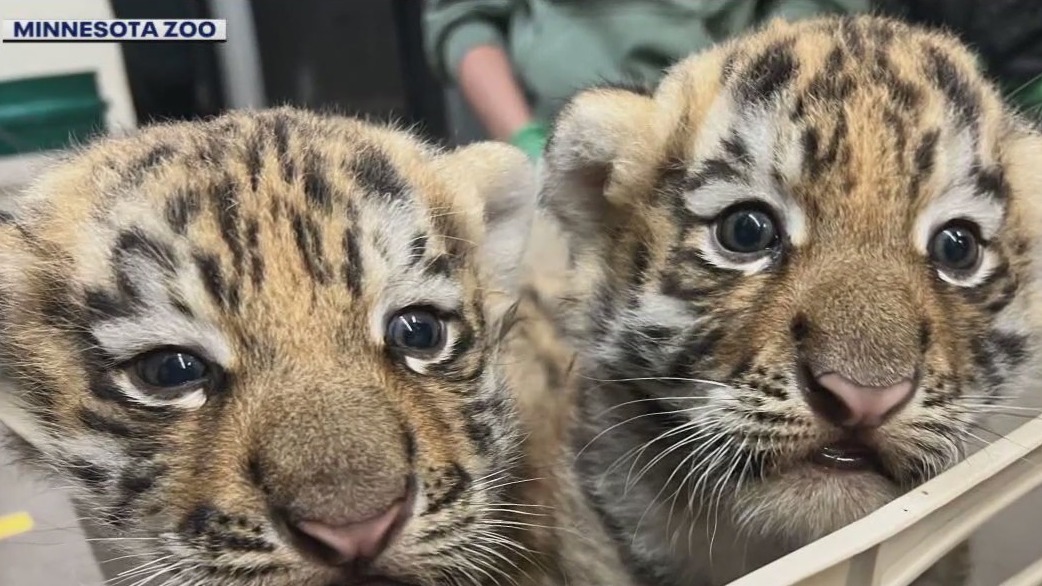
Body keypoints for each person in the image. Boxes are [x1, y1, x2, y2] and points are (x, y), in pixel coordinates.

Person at [423, 0, 869, 160]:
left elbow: (818, 15)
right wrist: (525, 140)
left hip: (730, 133)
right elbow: (463, 18)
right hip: (560, 140)